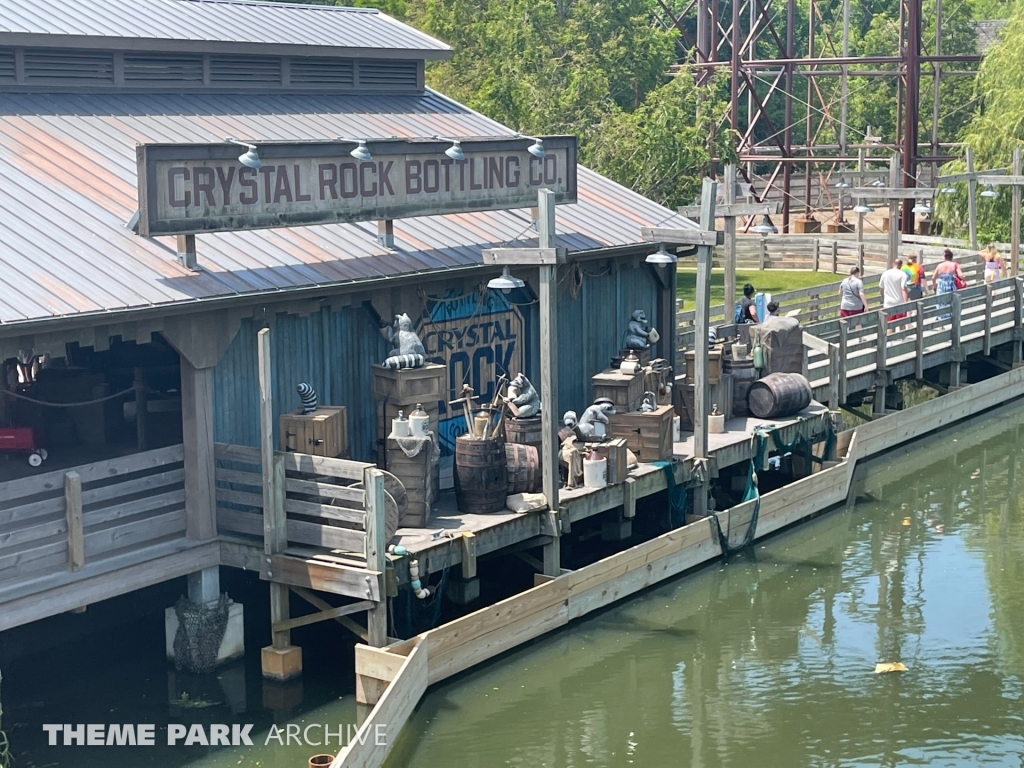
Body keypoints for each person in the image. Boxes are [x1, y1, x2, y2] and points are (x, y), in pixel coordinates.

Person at [933, 248, 964, 321]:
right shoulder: (954, 265)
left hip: (941, 285)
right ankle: (953, 318)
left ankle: (941, 321)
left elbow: (933, 277)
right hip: (951, 284)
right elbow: (961, 275)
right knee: (952, 301)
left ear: (945, 257)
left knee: (940, 302)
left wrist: (934, 286)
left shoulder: (939, 265)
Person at [878, 258, 909, 324]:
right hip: (899, 303)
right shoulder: (902, 274)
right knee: (902, 324)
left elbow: (881, 288)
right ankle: (902, 334)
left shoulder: (885, 273)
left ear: (893, 264)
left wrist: (884, 297)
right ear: (901, 265)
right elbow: (904, 289)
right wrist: (906, 303)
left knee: (890, 325)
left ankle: (890, 334)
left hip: (888, 303)